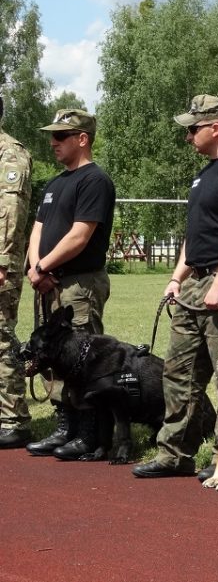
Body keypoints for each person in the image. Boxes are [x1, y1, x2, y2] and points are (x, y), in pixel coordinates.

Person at [133, 95, 218, 479]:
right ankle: (174, 452)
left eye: (192, 128)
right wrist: (178, 277)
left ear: (216, 127)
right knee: (178, 371)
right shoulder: (205, 174)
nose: (188, 136)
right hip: (196, 283)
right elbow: (196, 235)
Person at [24, 108, 116, 461]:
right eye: (53, 136)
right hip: (49, 282)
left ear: (82, 139)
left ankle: (90, 432)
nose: (53, 142)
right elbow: (38, 229)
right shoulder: (56, 182)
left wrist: (43, 265)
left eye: (61, 136)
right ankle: (65, 426)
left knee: (83, 358)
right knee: (56, 357)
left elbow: (80, 236)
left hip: (79, 284)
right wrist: (36, 266)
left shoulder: (95, 181)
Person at [0, 95, 33, 449]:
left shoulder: (10, 154)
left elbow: (10, 213)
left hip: (0, 261)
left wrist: (2, 262)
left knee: (1, 338)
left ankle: (13, 418)